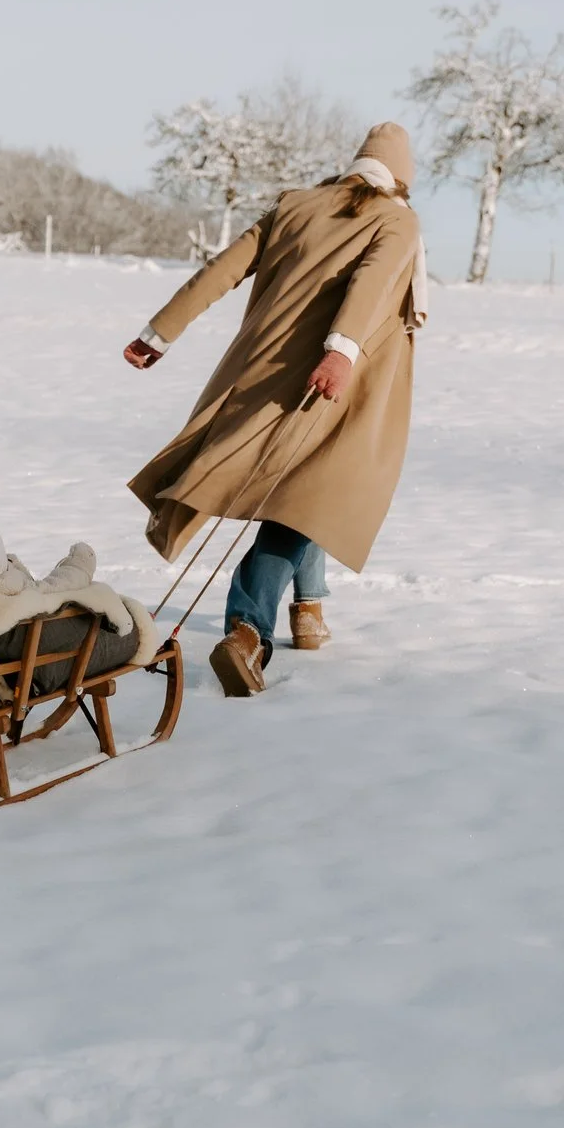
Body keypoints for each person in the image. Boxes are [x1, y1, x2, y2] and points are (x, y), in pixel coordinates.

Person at [124, 123, 428, 697]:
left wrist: (159, 333)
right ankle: (248, 630)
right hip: (336, 377)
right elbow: (372, 284)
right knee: (307, 496)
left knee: (313, 486)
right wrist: (341, 353)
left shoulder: (296, 204)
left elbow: (221, 269)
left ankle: (309, 609)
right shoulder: (397, 220)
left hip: (259, 371)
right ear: (402, 179)